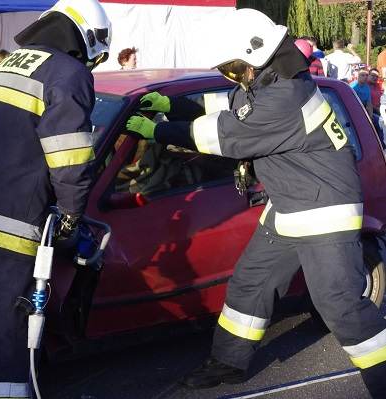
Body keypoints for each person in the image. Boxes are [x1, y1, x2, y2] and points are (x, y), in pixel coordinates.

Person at [125, 8, 386, 398]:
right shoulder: (266, 85)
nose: (232, 75)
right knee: (250, 284)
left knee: (340, 305)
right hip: (290, 203)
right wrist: (171, 106)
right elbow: (223, 113)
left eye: (234, 67)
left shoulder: (286, 95)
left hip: (323, 208)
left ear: (258, 54)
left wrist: (159, 131)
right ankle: (228, 362)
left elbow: (224, 137)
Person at [0, 0, 111, 397]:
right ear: (87, 37)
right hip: (13, 226)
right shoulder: (68, 73)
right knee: (9, 334)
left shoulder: (9, 64)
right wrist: (73, 217)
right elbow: (70, 161)